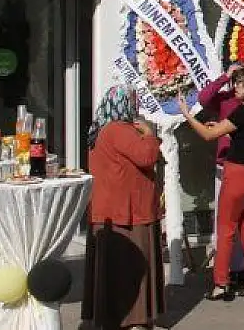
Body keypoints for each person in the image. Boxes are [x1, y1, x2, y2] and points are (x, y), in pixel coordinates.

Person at [180, 66, 244, 301]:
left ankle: (221, 284)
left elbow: (207, 135)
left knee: (226, 229)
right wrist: (228, 131)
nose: (236, 87)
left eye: (240, 83)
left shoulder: (243, 111)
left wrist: (187, 114)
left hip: (238, 173)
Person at [82, 85, 165, 330]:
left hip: (108, 208)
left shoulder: (99, 129)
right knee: (129, 266)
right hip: (127, 210)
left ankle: (105, 316)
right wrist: (150, 134)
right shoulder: (119, 129)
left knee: (110, 268)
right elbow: (146, 157)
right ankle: (134, 320)